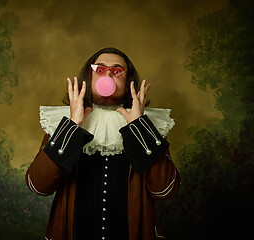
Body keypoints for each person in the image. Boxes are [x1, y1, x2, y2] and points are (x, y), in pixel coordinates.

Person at [26, 47, 180, 240]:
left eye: (117, 71)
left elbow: (165, 189)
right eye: (99, 70)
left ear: (128, 82)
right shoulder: (61, 123)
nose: (108, 74)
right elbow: (38, 185)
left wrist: (139, 127)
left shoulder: (148, 127)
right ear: (89, 78)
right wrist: (73, 126)